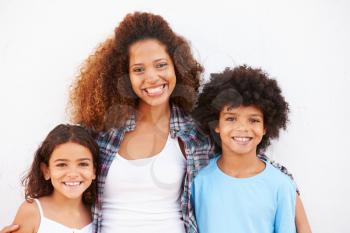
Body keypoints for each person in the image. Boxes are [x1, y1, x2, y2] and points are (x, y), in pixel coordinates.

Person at [0, 12, 311, 233]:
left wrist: (289, 187)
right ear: (124, 76)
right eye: (139, 69)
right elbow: (68, 174)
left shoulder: (195, 133)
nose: (152, 78)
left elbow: (245, 153)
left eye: (161, 65)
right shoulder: (103, 134)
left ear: (176, 66)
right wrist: (35, 220)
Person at [191, 65, 307, 233]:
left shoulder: (281, 185)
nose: (242, 128)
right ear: (216, 124)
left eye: (253, 120)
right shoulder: (198, 181)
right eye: (231, 118)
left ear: (266, 127)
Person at [10, 124, 99, 233]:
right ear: (46, 170)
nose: (73, 174)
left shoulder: (96, 214)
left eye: (83, 164)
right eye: (62, 165)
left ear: (94, 171)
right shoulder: (32, 212)